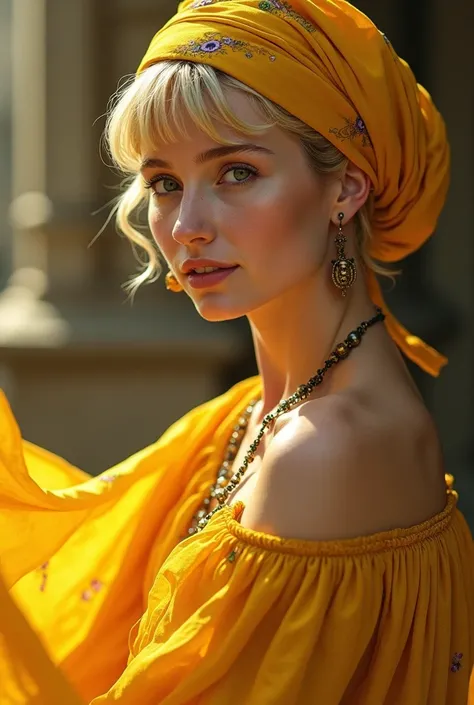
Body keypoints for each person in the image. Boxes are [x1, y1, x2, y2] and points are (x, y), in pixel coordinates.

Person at [1, 0, 473, 703]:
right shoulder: (257, 413)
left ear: (345, 187)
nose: (186, 226)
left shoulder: (329, 447)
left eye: (237, 173)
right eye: (164, 183)